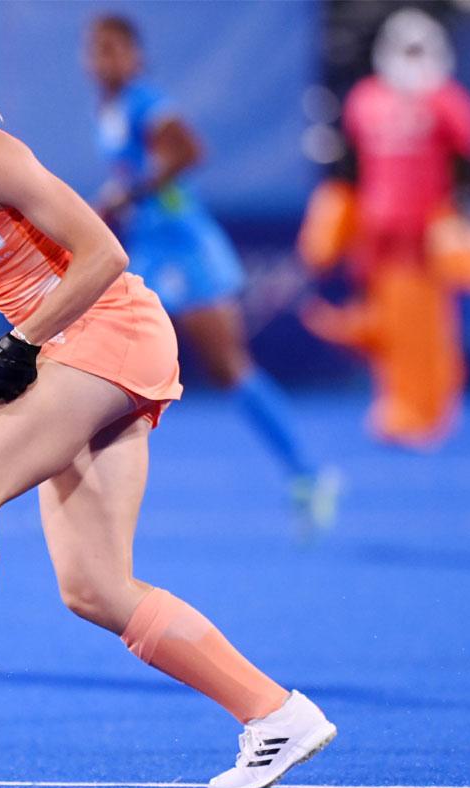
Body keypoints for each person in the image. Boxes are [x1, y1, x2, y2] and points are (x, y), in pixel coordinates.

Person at [0, 10, 337, 788]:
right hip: (61, 353)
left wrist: (23, 340)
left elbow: (104, 253)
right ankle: (276, 713)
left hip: (109, 326)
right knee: (93, 585)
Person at [85, 15, 338, 531]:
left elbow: (189, 150)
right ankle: (95, 488)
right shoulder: (109, 111)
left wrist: (126, 197)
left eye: (113, 49)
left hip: (184, 248)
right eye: (95, 50)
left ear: (136, 56)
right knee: (112, 356)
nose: (102, 60)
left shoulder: (144, 102)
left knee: (228, 367)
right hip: (152, 250)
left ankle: (308, 474)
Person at [297, 8, 470, 449]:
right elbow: (349, 171)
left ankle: (425, 412)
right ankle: (396, 403)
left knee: (425, 332)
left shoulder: (448, 102)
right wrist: (333, 224)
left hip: (424, 241)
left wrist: (461, 219)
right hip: (377, 237)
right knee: (385, 328)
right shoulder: (365, 101)